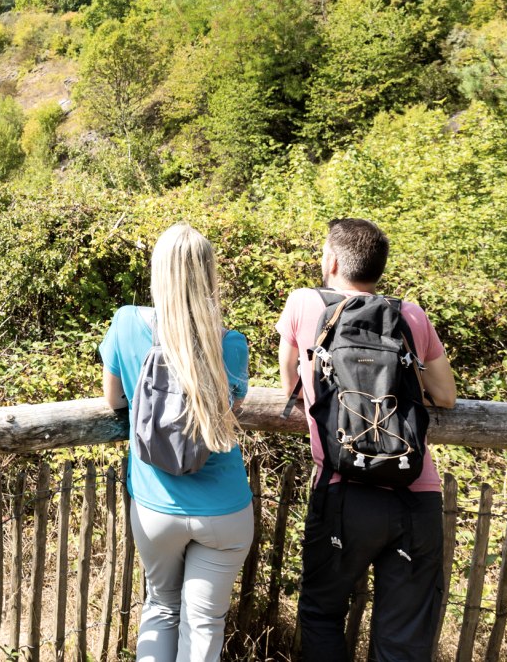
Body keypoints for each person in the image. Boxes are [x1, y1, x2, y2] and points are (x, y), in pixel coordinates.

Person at [278, 217, 458, 662]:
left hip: (344, 489)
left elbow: (289, 385)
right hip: (414, 491)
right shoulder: (408, 313)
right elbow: (446, 395)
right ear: (379, 267)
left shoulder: (305, 304)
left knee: (322, 614)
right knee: (403, 633)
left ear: (332, 259)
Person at [101, 223, 253, 662]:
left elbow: (114, 398)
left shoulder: (128, 323)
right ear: (208, 274)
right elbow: (231, 411)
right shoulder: (229, 342)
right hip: (225, 510)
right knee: (204, 623)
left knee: (161, 606)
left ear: (157, 272)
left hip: (156, 507)